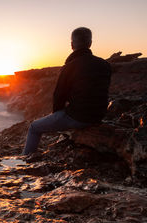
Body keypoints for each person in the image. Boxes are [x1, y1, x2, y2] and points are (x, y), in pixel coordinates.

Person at [22, 27, 111, 155]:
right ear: (90, 43)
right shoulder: (104, 64)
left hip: (78, 117)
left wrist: (57, 116)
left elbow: (59, 95)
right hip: (99, 116)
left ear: (71, 45)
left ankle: (25, 162)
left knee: (34, 128)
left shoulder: (69, 67)